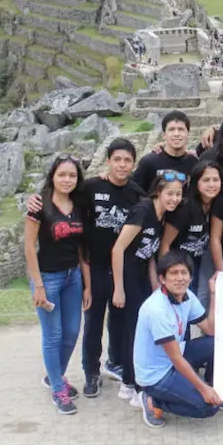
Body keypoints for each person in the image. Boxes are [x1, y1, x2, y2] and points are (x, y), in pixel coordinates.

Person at [26, 139, 143, 397]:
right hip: (94, 266)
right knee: (92, 323)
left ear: (133, 164)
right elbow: (59, 196)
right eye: (117, 159)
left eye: (127, 160)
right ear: (109, 161)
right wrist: (33, 199)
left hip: (122, 268)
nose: (122, 165)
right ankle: (91, 372)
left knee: (122, 320)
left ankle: (120, 364)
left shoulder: (137, 194)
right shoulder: (91, 188)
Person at [135, 251, 223, 428]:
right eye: (173, 273)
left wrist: (213, 294)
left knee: (219, 344)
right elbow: (175, 358)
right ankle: (153, 401)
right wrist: (203, 389)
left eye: (184, 273)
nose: (180, 278)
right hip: (157, 375)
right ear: (163, 279)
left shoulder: (187, 295)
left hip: (175, 355)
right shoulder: (157, 309)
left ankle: (215, 388)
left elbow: (211, 330)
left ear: (191, 277)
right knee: (208, 408)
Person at [24, 155, 92, 414]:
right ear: (53, 176)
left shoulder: (79, 204)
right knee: (53, 336)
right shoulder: (39, 205)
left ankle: (55, 376)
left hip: (72, 277)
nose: (67, 180)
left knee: (72, 332)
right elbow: (29, 247)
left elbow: (81, 248)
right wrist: (38, 285)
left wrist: (86, 284)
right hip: (48, 279)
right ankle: (57, 388)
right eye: (62, 175)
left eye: (72, 176)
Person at [112, 172, 186, 408]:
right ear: (158, 192)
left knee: (142, 330)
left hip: (143, 275)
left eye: (178, 194)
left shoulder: (161, 215)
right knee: (134, 331)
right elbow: (118, 249)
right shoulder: (143, 210)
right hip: (128, 276)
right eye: (170, 193)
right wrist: (119, 288)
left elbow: (152, 254)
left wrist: (157, 283)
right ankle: (129, 384)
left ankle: (133, 381)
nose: (174, 198)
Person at [162, 161, 220, 308]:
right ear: (196, 183)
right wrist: (167, 274)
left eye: (215, 179)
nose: (211, 184)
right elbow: (165, 243)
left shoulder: (217, 204)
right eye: (206, 180)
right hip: (178, 265)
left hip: (197, 261)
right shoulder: (185, 208)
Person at [132, 111, 198, 191]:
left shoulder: (195, 163)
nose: (176, 134)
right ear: (164, 135)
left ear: (188, 133)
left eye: (181, 129)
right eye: (171, 129)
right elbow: (134, 193)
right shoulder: (148, 162)